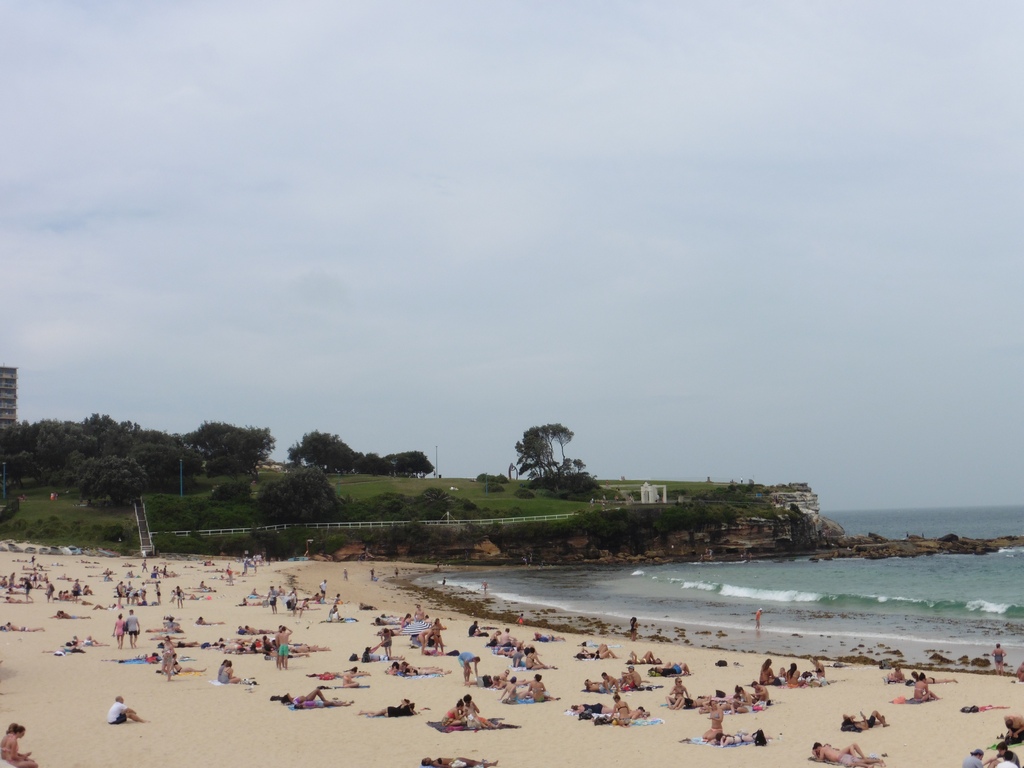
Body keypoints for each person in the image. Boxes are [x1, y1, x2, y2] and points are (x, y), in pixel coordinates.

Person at [811, 742, 886, 766]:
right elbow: (836, 749)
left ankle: (873, 763)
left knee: (854, 763)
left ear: (817, 748)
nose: (817, 752)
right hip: (841, 756)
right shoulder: (826, 746)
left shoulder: (822, 749)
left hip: (840, 758)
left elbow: (820, 760)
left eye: (816, 750)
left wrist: (814, 754)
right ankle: (876, 762)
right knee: (856, 761)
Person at [277, 689, 353, 708]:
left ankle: (342, 703)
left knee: (331, 702)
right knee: (317, 690)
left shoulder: (294, 700)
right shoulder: (295, 702)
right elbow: (300, 705)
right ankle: (343, 704)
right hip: (308, 700)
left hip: (308, 699)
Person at [420, 758, 498, 767]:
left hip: (455, 760)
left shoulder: (433, 762)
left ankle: (490, 764)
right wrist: (452, 766)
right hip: (455, 761)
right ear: (427, 763)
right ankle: (491, 764)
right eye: (425, 759)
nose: (427, 758)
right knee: (472, 763)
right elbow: (443, 767)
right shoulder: (434, 763)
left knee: (472, 762)